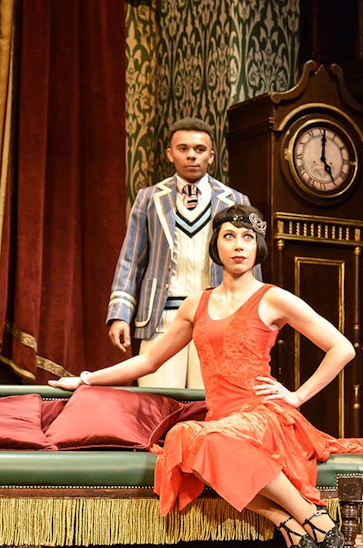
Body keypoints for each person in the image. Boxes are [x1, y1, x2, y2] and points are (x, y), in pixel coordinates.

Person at [53, 204, 363, 548]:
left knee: (208, 440)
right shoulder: (195, 304)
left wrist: (297, 396)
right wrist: (85, 379)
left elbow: (342, 348)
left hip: (263, 414)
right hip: (221, 420)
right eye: (229, 237)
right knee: (187, 438)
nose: (238, 245)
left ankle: (314, 516)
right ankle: (287, 521)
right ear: (215, 246)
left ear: (257, 247)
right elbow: (149, 360)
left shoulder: (272, 297)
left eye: (248, 238)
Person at [107, 117, 258, 388]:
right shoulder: (150, 198)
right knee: (158, 404)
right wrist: (120, 314)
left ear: (211, 155)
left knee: (209, 403)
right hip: (162, 317)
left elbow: (249, 266)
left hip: (216, 317)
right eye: (183, 148)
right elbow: (131, 260)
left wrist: (251, 322)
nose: (191, 155)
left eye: (200, 150)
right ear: (170, 153)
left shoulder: (234, 201)